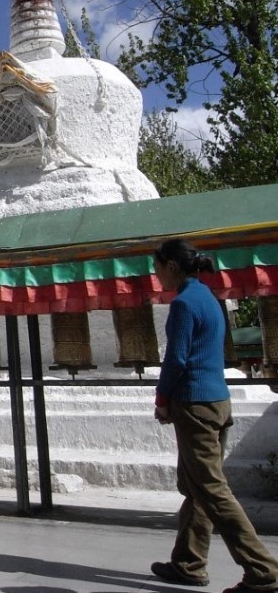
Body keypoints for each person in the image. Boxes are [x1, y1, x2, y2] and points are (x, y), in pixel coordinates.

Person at [149, 238, 278, 593]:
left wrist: (162, 399)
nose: (157, 276)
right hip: (218, 400)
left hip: (194, 404)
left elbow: (176, 359)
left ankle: (263, 571)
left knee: (212, 490)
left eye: (158, 268)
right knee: (198, 486)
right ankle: (188, 563)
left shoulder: (183, 304)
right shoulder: (208, 298)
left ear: (172, 266)